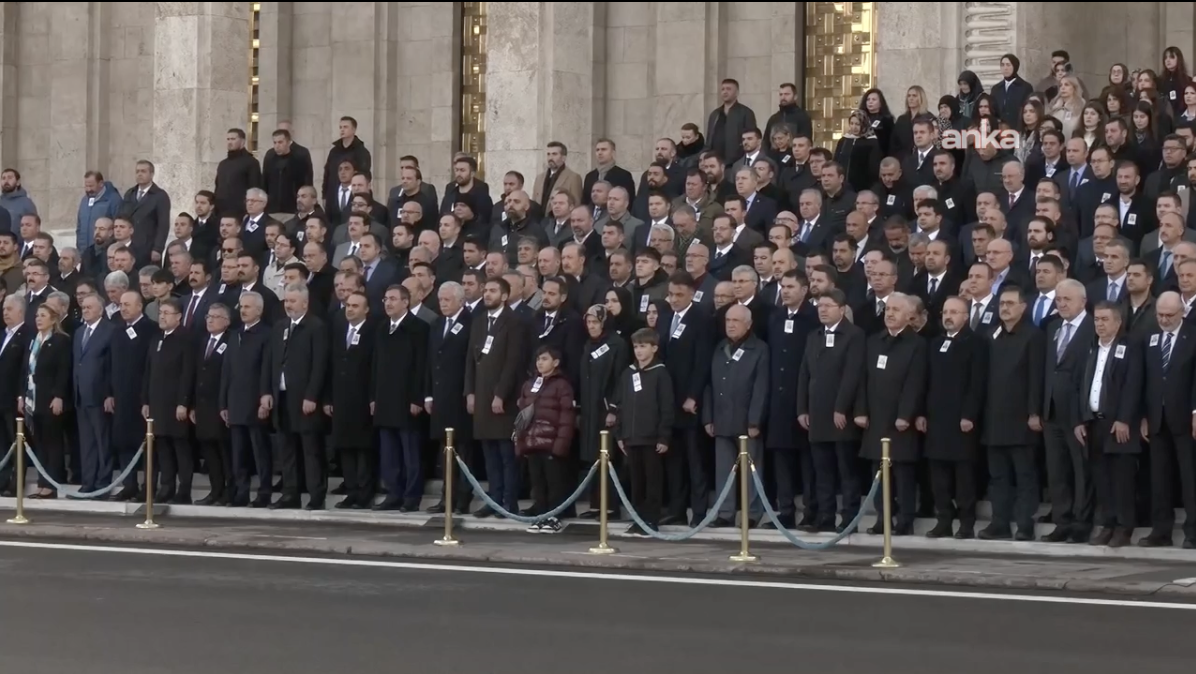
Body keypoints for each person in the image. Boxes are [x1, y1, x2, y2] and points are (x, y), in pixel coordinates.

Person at [857, 293, 927, 536]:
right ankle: (883, 517)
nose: (890, 313)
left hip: (900, 419)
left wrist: (906, 414)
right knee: (878, 471)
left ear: (909, 315)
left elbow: (915, 382)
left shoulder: (917, 344)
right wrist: (861, 410)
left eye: (896, 310)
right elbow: (863, 378)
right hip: (876, 417)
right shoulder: (874, 341)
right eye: (888, 309)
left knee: (903, 472)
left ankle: (905, 518)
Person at [797, 289, 866, 533]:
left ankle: (849, 518)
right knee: (822, 471)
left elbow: (852, 374)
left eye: (828, 305)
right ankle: (825, 516)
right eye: (820, 306)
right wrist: (802, 408)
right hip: (817, 413)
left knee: (846, 470)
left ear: (842, 309)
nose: (822, 310)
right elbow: (804, 373)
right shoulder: (814, 335)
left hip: (840, 415)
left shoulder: (854, 335)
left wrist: (841, 407)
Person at [1073, 301, 1142, 548]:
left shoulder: (1130, 347)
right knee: (1101, 479)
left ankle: (1124, 527)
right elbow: (1080, 385)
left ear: (1118, 322)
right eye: (1097, 320)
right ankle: (1108, 524)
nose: (1099, 324)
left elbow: (1133, 385)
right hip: (1094, 423)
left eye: (1105, 320)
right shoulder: (1091, 347)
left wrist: (1124, 419)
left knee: (1121, 479)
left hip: (1118, 424)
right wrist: (1080, 419)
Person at [981, 285, 1045, 541]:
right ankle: (999, 522)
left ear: (1023, 307)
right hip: (994, 418)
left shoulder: (1033, 336)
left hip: (1021, 419)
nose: (1004, 308)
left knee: (1024, 475)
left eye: (1010, 303)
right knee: (998, 476)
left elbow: (1036, 377)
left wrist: (1034, 412)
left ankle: (1024, 524)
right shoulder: (991, 334)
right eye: (1002, 304)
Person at [922, 296, 988, 539]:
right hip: (936, 420)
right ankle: (944, 520)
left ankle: (966, 523)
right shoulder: (935, 343)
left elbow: (977, 383)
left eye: (954, 312)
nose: (948, 316)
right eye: (945, 312)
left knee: (964, 476)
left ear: (966, 316)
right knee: (938, 477)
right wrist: (922, 413)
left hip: (962, 421)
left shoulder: (976, 343)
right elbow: (926, 381)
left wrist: (969, 414)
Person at [464, 278, 528, 517]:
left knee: (506, 454)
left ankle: (508, 502)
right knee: (489, 454)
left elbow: (513, 362)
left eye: (493, 291)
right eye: (486, 290)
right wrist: (470, 392)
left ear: (504, 296)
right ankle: (494, 499)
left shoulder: (514, 322)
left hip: (504, 399)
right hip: (481, 396)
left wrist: (500, 394)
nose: (487, 294)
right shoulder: (479, 320)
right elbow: (470, 360)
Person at [262, 284, 329, 510]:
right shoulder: (280, 326)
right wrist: (266, 392)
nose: (288, 305)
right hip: (281, 396)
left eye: (292, 301)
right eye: (286, 301)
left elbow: (320, 365)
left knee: (311, 450)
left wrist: (312, 395)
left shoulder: (316, 327)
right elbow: (270, 361)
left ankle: (316, 495)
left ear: (305, 303)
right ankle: (290, 494)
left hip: (304, 398)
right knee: (286, 449)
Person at [703, 304, 769, 528]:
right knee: (724, 470)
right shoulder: (720, 347)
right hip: (721, 419)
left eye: (736, 321)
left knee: (752, 469)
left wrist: (755, 420)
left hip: (746, 421)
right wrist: (708, 417)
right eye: (728, 320)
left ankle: (752, 513)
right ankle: (725, 512)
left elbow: (761, 387)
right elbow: (709, 384)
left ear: (748, 324)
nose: (730, 325)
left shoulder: (759, 349)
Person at [371, 285, 429, 511]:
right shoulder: (382, 327)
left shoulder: (418, 328)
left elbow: (421, 366)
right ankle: (393, 494)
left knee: (410, 454)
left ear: (406, 302)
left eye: (393, 299)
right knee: (389, 454)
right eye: (386, 299)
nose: (388, 303)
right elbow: (375, 365)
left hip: (407, 401)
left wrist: (417, 398)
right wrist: (373, 397)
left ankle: (412, 497)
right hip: (385, 400)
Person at [612, 328, 674, 535]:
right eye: (636, 347)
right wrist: (620, 434)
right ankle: (638, 518)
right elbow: (621, 405)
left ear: (654, 348)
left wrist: (663, 436)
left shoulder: (660, 373)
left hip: (651, 437)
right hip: (631, 437)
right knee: (636, 481)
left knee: (652, 480)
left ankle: (651, 519)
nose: (638, 351)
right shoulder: (628, 373)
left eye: (643, 346)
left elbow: (666, 407)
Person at [515, 346, 576, 533]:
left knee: (554, 483)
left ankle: (554, 517)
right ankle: (541, 516)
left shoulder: (562, 385)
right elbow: (522, 416)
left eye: (544, 359)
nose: (540, 363)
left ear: (555, 362)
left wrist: (560, 445)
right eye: (538, 359)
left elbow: (567, 417)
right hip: (532, 441)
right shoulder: (529, 384)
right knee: (538, 483)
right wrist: (521, 441)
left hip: (551, 442)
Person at [219, 292, 272, 507]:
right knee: (238, 452)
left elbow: (267, 369)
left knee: (260, 451)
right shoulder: (235, 335)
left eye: (248, 307)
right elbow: (227, 370)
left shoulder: (266, 334)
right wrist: (223, 402)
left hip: (255, 401)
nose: (243, 310)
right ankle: (241, 492)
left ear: (259, 310)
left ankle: (264, 492)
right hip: (235, 401)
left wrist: (264, 397)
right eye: (241, 306)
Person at [576, 305, 630, 519]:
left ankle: (611, 507)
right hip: (590, 409)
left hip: (606, 409)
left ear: (604, 323)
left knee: (608, 458)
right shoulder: (588, 344)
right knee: (593, 458)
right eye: (588, 322)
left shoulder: (617, 344)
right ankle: (595, 505)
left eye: (595, 322)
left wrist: (614, 408)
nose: (591, 326)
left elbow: (620, 379)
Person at [141, 298, 196, 503]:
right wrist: (145, 400)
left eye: (166, 313)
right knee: (162, 447)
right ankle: (167, 487)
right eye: (161, 313)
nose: (162, 317)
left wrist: (183, 402)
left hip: (175, 404)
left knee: (180, 448)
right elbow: (148, 371)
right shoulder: (157, 338)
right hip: (157, 403)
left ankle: (184, 490)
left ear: (178, 317)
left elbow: (187, 373)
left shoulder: (186, 339)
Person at [327, 291, 378, 510]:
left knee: (363, 448)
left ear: (366, 310)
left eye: (355, 306)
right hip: (341, 399)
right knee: (345, 447)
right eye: (348, 305)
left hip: (363, 399)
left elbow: (376, 368)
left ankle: (365, 493)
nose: (350, 309)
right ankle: (351, 491)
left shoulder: (373, 332)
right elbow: (330, 366)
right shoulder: (339, 330)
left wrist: (373, 398)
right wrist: (328, 398)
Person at [19, 303, 71, 499]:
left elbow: (63, 370)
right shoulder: (34, 340)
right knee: (39, 442)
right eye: (37, 316)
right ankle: (42, 483)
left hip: (50, 398)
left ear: (53, 319)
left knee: (52, 442)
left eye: (43, 315)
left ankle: (51, 484)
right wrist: (22, 395)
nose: (38, 319)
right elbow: (25, 370)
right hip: (34, 399)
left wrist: (59, 396)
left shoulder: (60, 340)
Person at [192, 302, 233, 505]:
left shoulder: (231, 341)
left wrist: (226, 404)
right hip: (203, 406)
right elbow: (196, 374)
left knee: (225, 451)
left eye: (215, 317)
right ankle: (215, 490)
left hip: (221, 405)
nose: (210, 320)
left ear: (226, 321)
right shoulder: (203, 342)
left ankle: (230, 491)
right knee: (209, 451)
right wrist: (192, 404)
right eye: (208, 316)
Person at [0, 295, 30, 496]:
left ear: (20, 311)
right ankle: (2, 479)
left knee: (16, 441)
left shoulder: (26, 334)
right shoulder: (3, 334)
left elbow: (24, 368)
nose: (5, 313)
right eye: (4, 309)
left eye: (9, 309)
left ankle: (17, 481)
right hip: (0, 398)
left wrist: (21, 394)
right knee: (2, 443)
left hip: (13, 399)